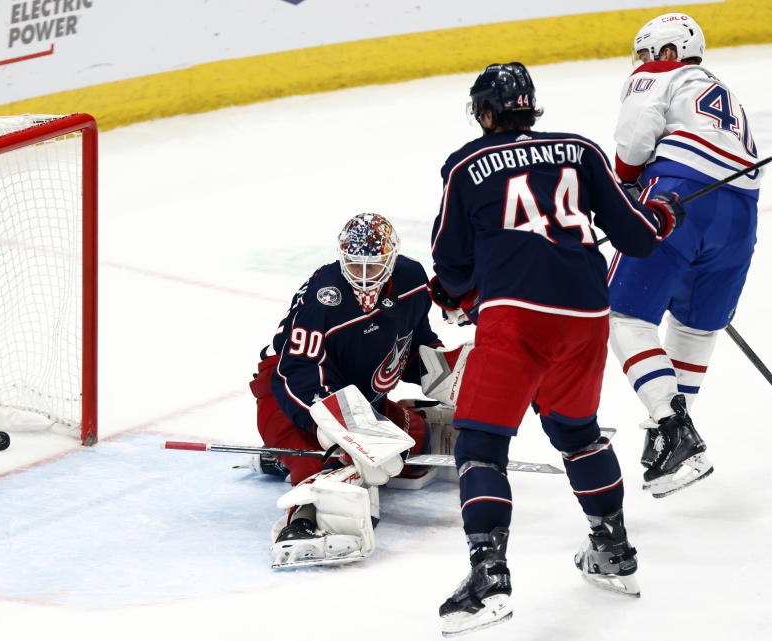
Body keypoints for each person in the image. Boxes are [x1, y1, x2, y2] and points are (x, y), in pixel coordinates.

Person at [429, 62, 686, 636]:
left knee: (480, 444)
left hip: (516, 316)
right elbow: (639, 237)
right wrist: (663, 215)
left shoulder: (466, 165)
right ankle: (614, 552)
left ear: (487, 113)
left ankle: (489, 578)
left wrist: (452, 292)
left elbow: (450, 265)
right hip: (586, 314)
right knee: (577, 432)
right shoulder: (580, 149)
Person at [608, 13, 762, 498]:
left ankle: (674, 430)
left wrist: (625, 190)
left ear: (669, 52)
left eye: (648, 53)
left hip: (678, 198)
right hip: (741, 215)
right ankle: (671, 438)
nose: (643, 63)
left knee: (622, 315)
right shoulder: (725, 93)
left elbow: (634, 141)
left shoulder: (658, 75)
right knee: (695, 326)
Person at [249, 212, 452, 569]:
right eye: (353, 265)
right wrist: (340, 431)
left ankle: (287, 457)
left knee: (413, 443)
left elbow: (412, 344)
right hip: (289, 398)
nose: (361, 277)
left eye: (372, 267)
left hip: (357, 397)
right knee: (338, 466)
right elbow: (296, 373)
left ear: (392, 258)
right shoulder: (323, 298)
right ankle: (302, 520)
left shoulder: (412, 280)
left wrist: (444, 373)